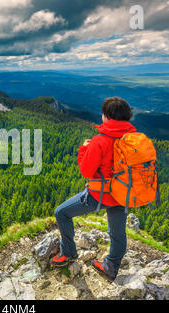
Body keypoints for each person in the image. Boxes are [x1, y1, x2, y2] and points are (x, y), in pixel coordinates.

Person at [51, 97, 136, 281]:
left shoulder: (100, 141)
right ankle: (111, 267)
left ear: (107, 116)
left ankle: (69, 253)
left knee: (61, 213)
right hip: (122, 194)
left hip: (99, 195)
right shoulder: (132, 139)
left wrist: (84, 148)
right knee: (117, 234)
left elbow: (86, 170)